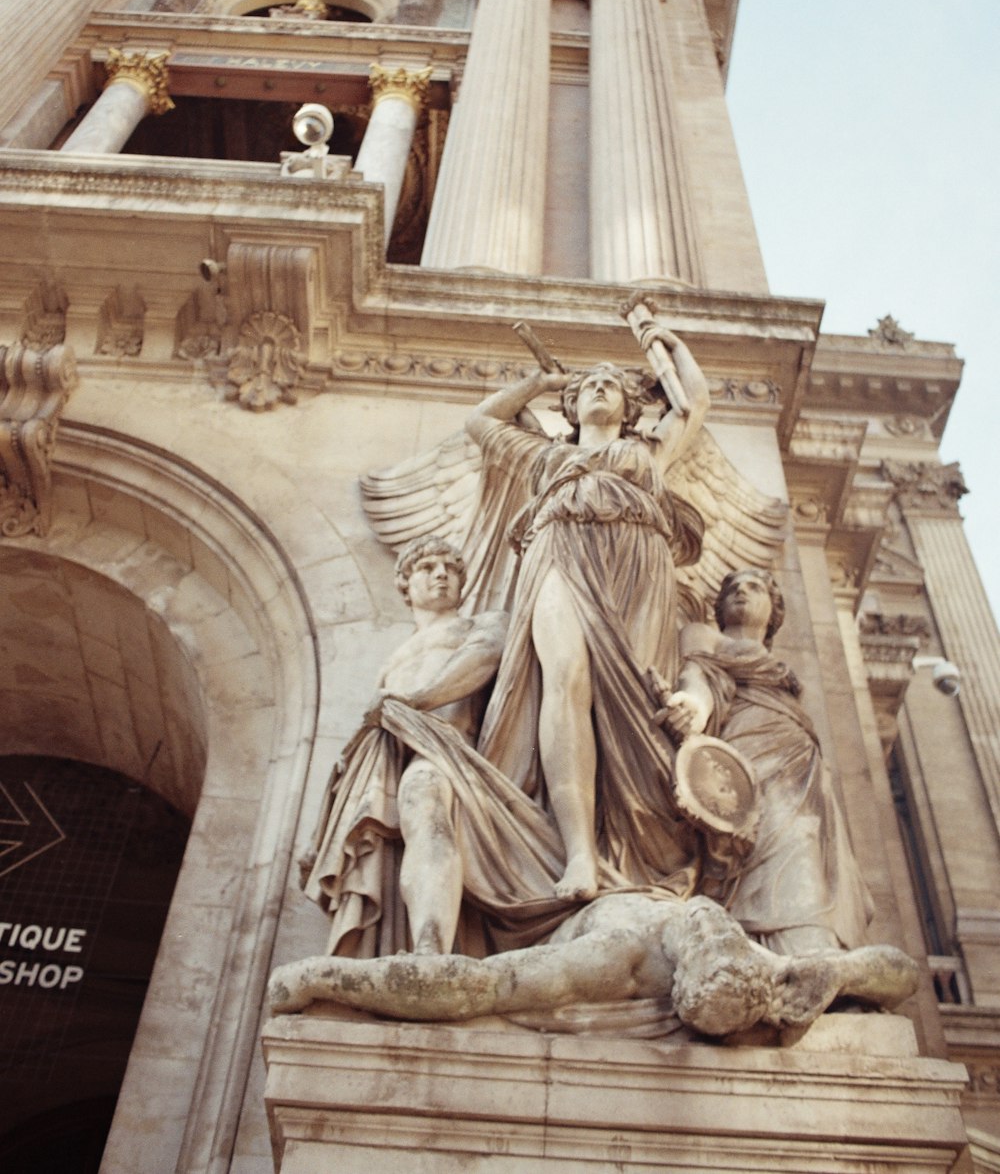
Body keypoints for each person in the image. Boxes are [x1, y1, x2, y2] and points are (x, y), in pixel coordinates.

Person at [469, 320, 710, 902]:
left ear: (630, 407)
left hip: (638, 559)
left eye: (611, 383)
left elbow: (694, 402)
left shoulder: (649, 448)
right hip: (557, 548)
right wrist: (536, 382)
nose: (600, 387)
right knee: (564, 677)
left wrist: (665, 341)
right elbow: (480, 423)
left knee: (630, 692)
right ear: (572, 408)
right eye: (587, 386)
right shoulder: (543, 455)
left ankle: (625, 846)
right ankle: (577, 854)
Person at [268, 889, 917, 1036]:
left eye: (709, 938)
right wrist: (844, 970)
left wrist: (330, 976)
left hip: (543, 908)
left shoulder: (621, 960)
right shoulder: (763, 966)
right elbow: (900, 971)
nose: (714, 924)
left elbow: (476, 986)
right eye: (720, 931)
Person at [301, 535, 507, 955]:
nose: (441, 575)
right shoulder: (392, 658)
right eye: (428, 568)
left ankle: (431, 952)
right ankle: (402, 951)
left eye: (450, 569)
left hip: (444, 747)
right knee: (378, 850)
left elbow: (483, 658)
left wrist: (417, 701)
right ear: (404, 585)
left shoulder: (480, 625)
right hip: (385, 758)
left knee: (425, 800)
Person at [661, 568, 873, 954]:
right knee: (762, 837)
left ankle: (810, 939)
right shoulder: (702, 635)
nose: (741, 593)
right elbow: (697, 677)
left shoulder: (774, 662)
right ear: (719, 607)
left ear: (773, 610)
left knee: (805, 837)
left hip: (798, 759)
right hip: (744, 752)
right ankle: (769, 943)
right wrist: (693, 706)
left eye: (754, 588)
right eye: (733, 590)